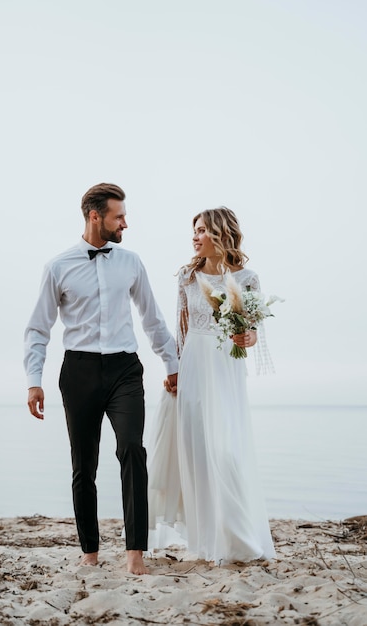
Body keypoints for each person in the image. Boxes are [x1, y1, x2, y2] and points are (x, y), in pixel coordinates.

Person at [24, 183, 178, 575]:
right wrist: (33, 379)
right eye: (119, 216)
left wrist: (172, 363)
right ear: (96, 217)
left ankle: (135, 555)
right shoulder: (58, 266)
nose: (125, 222)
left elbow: (152, 317)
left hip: (125, 368)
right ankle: (89, 552)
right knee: (84, 465)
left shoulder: (131, 262)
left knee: (132, 450)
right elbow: (38, 328)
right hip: (79, 372)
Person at [148, 207, 276, 564]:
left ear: (220, 233)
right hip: (192, 367)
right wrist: (173, 368)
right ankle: (207, 541)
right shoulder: (187, 276)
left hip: (225, 368)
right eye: (194, 230)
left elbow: (251, 330)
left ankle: (238, 537)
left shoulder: (247, 277)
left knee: (226, 451)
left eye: (202, 230)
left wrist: (247, 336)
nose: (195, 236)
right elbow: (182, 327)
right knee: (197, 453)